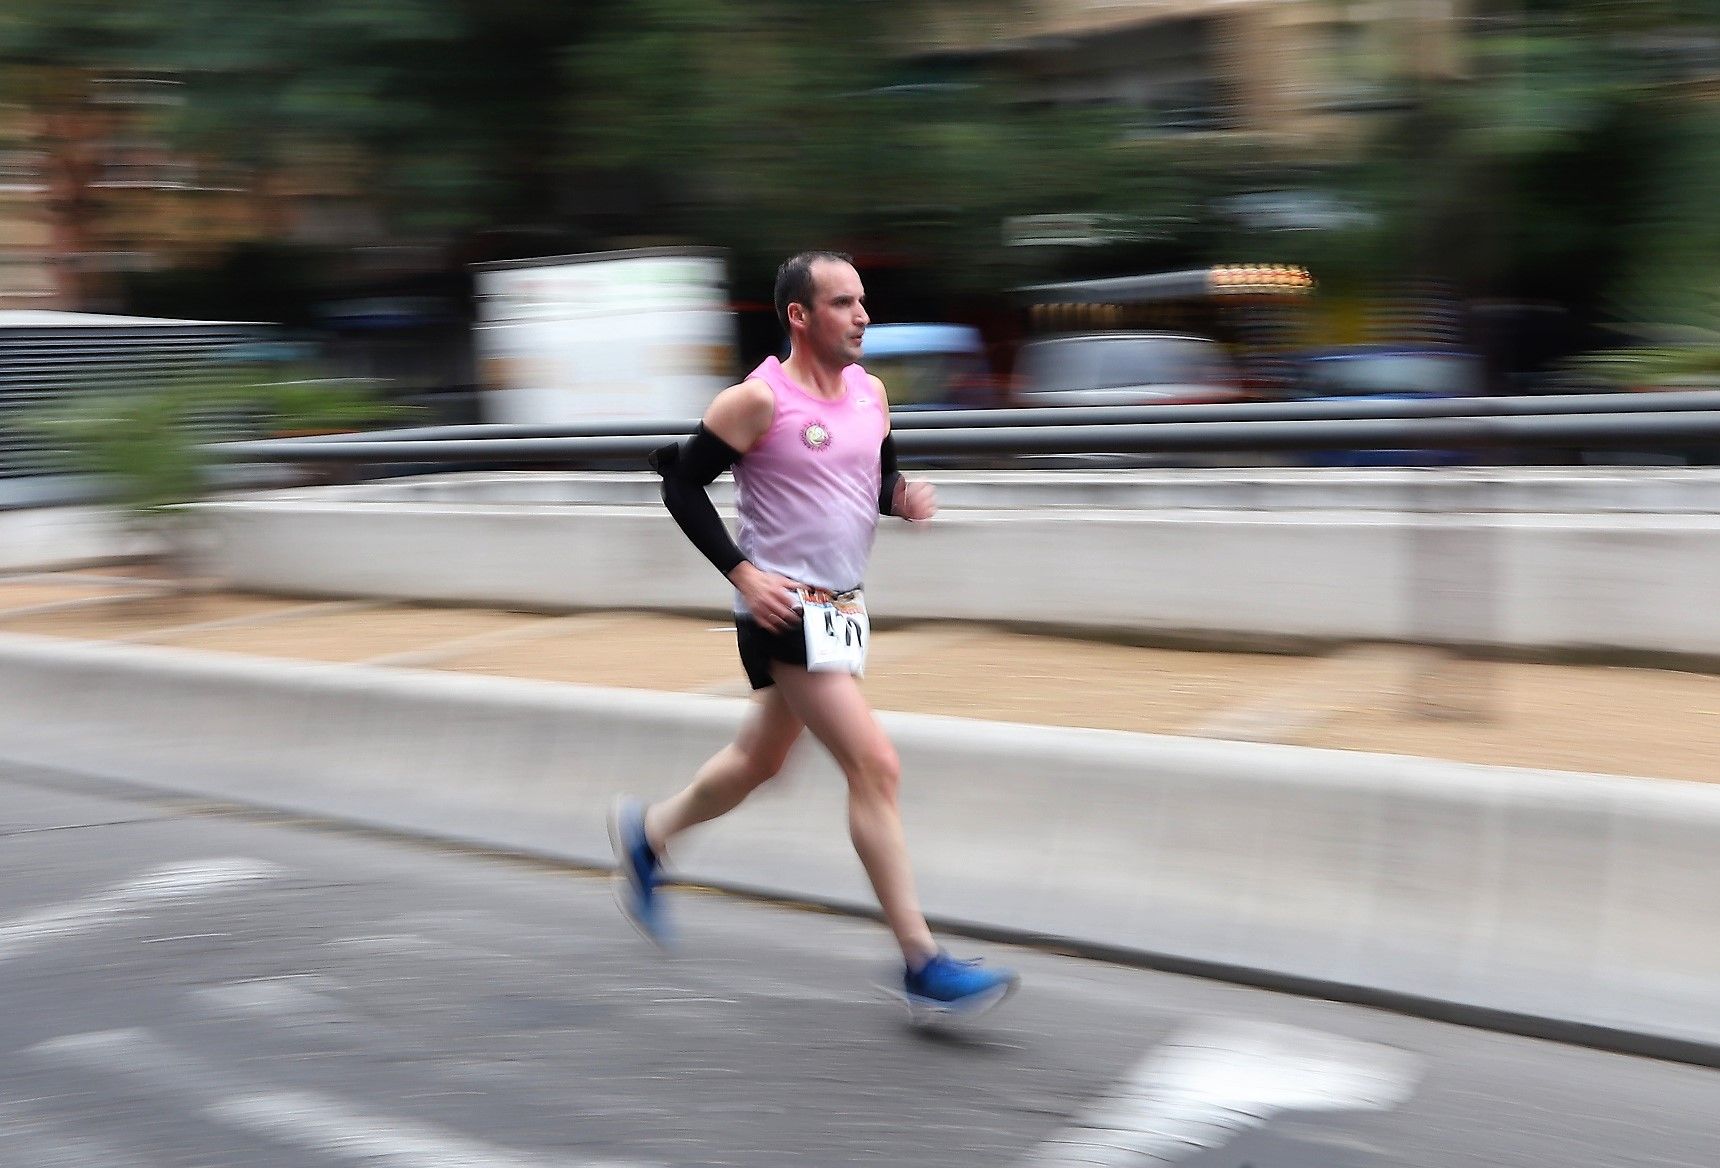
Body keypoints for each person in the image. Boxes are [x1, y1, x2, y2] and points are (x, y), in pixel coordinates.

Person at [610, 250, 1018, 1018]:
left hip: (843, 613)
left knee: (760, 761)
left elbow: (876, 481)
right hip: (783, 613)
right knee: (876, 766)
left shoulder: (871, 394)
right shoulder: (758, 400)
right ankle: (920, 961)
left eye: (862, 301)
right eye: (842, 303)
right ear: (800, 316)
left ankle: (649, 835)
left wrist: (905, 498)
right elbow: (680, 481)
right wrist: (741, 573)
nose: (861, 315)